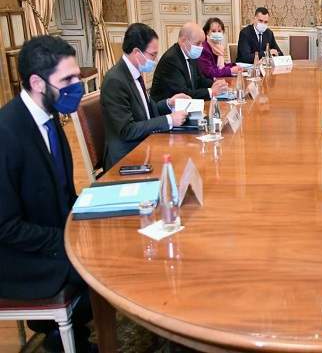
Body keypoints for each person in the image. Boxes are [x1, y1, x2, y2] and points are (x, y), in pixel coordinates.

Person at [0, 35, 95, 352]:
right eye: (67, 80)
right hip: (18, 256)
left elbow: (63, 193)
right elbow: (6, 227)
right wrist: (69, 241)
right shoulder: (6, 134)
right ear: (37, 83)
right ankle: (60, 337)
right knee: (102, 267)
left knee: (116, 241)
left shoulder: (50, 117)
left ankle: (76, 331)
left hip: (51, 234)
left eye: (77, 77)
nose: (77, 86)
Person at [101, 23, 190, 170]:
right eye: (153, 55)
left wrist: (169, 103)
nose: (155, 59)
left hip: (145, 143)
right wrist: (169, 120)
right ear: (137, 52)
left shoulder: (134, 73)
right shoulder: (115, 81)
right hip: (126, 156)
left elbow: (148, 112)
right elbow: (127, 130)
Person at [150, 21, 229, 102]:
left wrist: (215, 84)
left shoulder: (190, 54)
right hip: (167, 107)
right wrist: (211, 92)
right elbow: (183, 94)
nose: (201, 47)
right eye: (198, 43)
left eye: (202, 43)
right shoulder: (171, 60)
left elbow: (199, 80)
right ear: (183, 41)